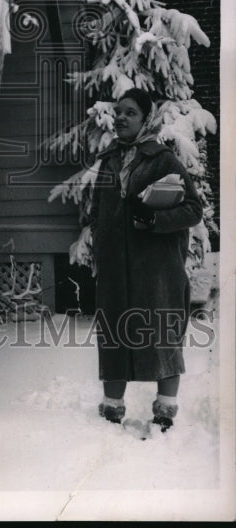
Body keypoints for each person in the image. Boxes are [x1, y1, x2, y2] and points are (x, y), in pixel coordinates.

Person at [88, 87, 203, 432]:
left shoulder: (162, 159)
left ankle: (165, 410)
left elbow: (193, 209)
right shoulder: (109, 160)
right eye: (119, 111)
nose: (121, 117)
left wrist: (155, 221)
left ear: (145, 118)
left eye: (131, 112)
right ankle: (112, 407)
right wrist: (101, 251)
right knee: (114, 334)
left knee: (161, 334)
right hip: (114, 269)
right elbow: (97, 213)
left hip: (157, 270)